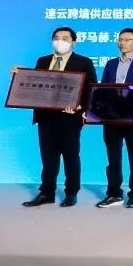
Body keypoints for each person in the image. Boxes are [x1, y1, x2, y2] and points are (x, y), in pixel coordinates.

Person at [19, 26, 97, 207]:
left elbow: (91, 89)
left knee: (71, 156)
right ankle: (47, 193)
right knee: (48, 157)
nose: (60, 41)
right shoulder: (43, 60)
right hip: (45, 116)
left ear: (73, 42)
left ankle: (71, 192)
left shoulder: (83, 62)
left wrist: (80, 108)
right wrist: (20, 76)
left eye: (65, 38)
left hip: (70, 117)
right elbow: (35, 83)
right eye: (56, 37)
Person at [96, 28, 133, 209]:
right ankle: (114, 193)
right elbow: (103, 90)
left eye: (127, 39)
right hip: (111, 117)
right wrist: (98, 112)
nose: (122, 43)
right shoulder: (111, 64)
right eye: (120, 39)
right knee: (113, 158)